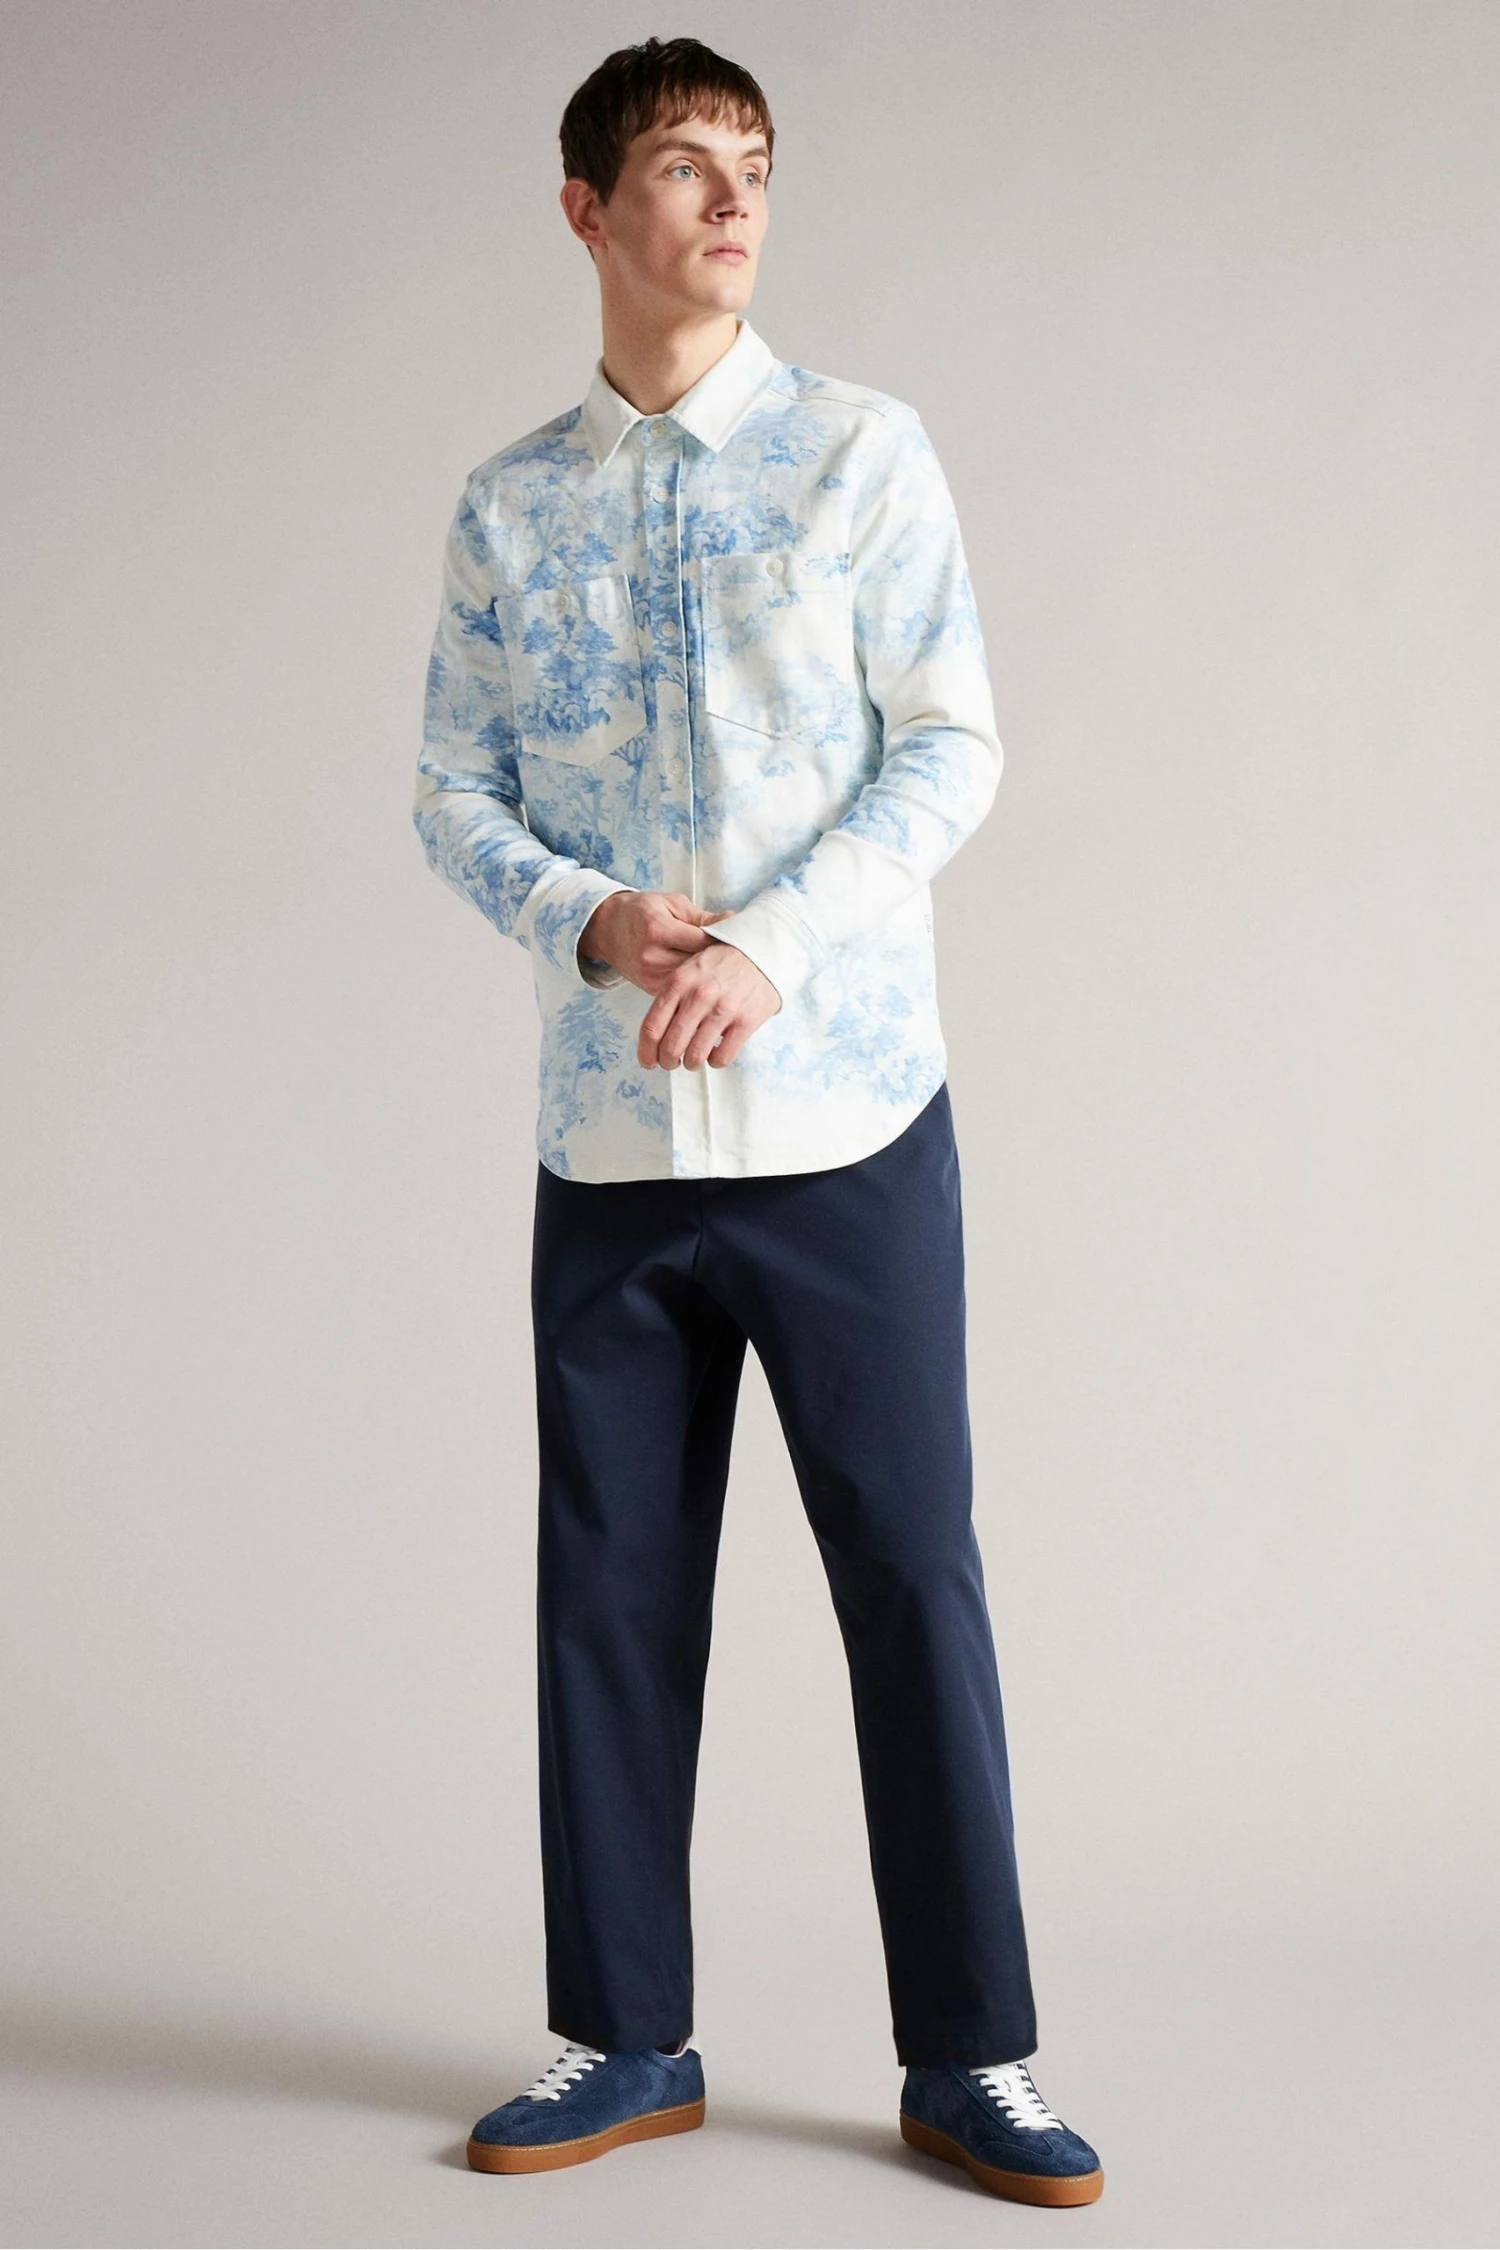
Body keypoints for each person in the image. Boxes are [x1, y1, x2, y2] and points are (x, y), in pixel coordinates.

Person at [412, 33, 1103, 2211]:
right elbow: (451, 790)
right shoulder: (507, 505)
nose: (732, 201)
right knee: (609, 1595)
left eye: (758, 166)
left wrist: (774, 947)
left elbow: (951, 745)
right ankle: (625, 2033)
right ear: (585, 212)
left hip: (849, 1126)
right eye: (686, 165)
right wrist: (591, 918)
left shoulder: (860, 456)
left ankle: (973, 2055)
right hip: (611, 1148)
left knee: (910, 1578)